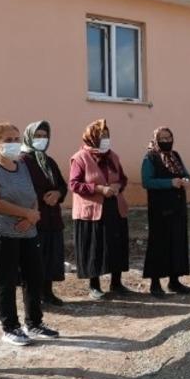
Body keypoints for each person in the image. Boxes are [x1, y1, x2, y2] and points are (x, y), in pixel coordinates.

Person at [0, 122, 60, 346]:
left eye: (16, 139)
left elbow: (31, 194)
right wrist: (26, 214)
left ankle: (34, 323)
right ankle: (10, 327)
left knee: (34, 278)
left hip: (28, 230)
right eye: (8, 140)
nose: (14, 144)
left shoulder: (21, 165)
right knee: (5, 280)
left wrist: (30, 217)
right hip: (1, 233)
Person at [69, 120, 132, 300]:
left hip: (114, 207)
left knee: (116, 245)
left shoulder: (113, 157)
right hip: (92, 211)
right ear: (92, 137)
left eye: (107, 136)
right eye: (102, 136)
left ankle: (117, 283)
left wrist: (118, 186)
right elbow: (74, 184)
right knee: (95, 246)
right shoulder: (80, 158)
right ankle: (94, 286)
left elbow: (123, 178)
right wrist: (99, 189)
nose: (106, 140)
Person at [20, 121, 69, 306]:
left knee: (51, 256)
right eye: (37, 136)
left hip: (52, 218)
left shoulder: (49, 161)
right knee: (34, 259)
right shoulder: (22, 161)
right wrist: (41, 198)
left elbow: (63, 185)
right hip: (35, 218)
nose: (41, 140)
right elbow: (20, 188)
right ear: (29, 137)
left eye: (44, 136)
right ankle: (34, 296)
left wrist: (58, 194)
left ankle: (48, 292)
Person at [142, 126, 190, 297]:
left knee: (177, 242)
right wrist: (169, 183)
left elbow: (186, 174)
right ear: (156, 139)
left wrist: (186, 180)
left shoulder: (175, 156)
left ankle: (174, 281)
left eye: (168, 137)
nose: (166, 141)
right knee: (159, 243)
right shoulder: (150, 157)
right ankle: (155, 283)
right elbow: (147, 181)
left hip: (178, 207)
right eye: (162, 138)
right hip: (160, 209)